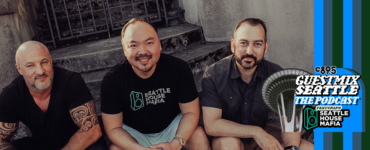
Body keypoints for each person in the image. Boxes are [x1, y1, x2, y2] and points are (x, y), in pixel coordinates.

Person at [201, 18, 314, 150]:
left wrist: (291, 147)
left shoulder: (276, 74)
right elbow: (212, 125)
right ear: (233, 45)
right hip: (228, 136)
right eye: (243, 43)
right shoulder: (213, 75)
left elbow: (290, 122)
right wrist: (256, 132)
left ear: (265, 47)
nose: (249, 51)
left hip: (261, 136)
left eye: (257, 44)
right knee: (229, 146)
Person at [101, 18, 210, 150]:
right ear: (124, 49)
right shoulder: (112, 79)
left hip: (173, 128)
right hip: (136, 136)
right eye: (133, 45)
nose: (142, 52)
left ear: (159, 44)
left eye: (149, 43)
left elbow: (191, 113)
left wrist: (176, 142)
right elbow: (113, 128)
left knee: (198, 136)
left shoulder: (178, 68)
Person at [0, 41, 106, 150]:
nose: (40, 71)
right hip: (41, 144)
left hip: (77, 142)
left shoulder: (70, 81)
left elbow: (92, 130)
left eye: (44, 62)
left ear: (51, 61)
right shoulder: (11, 95)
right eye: (30, 65)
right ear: (19, 69)